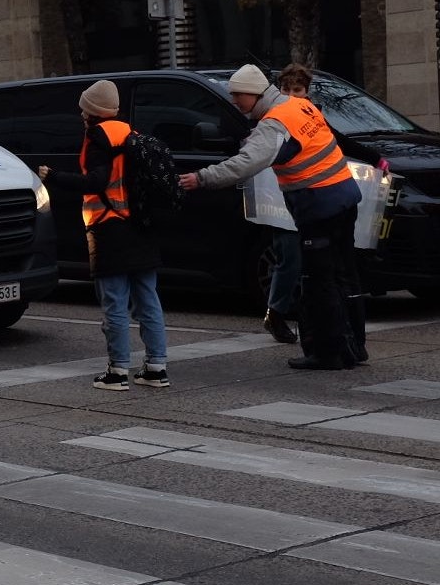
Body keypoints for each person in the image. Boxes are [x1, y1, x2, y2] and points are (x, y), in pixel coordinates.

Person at [182, 64, 365, 370]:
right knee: (342, 275)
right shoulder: (300, 106)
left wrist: (202, 178)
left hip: (318, 207)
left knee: (318, 281)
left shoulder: (274, 123)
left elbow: (245, 163)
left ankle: (326, 352)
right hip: (344, 199)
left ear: (253, 94)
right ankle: (353, 348)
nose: (236, 104)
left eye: (238, 97)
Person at [37, 80, 170, 390]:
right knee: (148, 299)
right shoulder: (129, 132)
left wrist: (54, 177)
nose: (81, 115)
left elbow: (96, 181)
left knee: (114, 302)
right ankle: (156, 367)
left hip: (110, 228)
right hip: (141, 225)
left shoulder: (98, 138)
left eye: (84, 109)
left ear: (92, 112)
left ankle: (118, 371)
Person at [259, 63, 315, 345]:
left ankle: (307, 315)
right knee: (289, 259)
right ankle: (277, 313)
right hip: (282, 200)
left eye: (298, 90)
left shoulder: (312, 115)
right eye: (286, 89)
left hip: (310, 198)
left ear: (307, 92)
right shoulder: (273, 117)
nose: (292, 95)